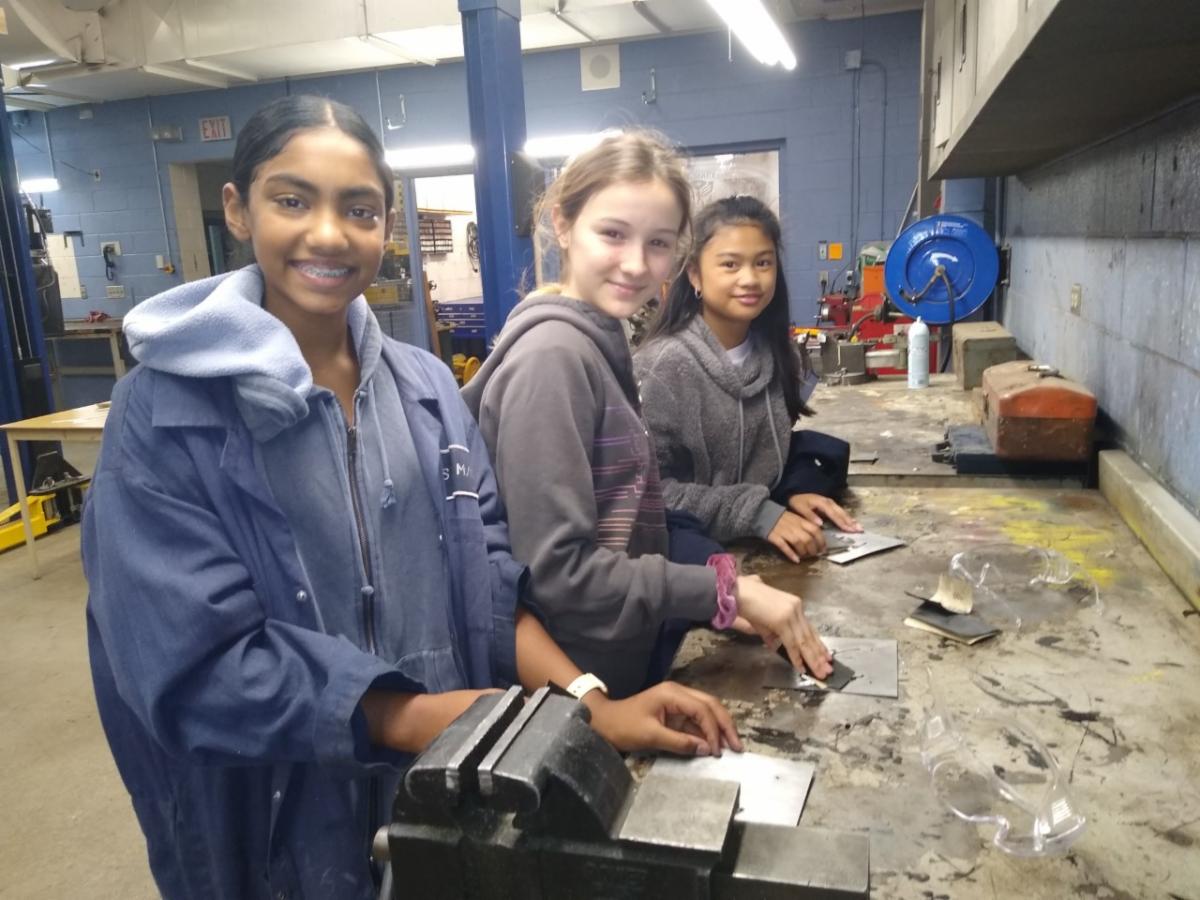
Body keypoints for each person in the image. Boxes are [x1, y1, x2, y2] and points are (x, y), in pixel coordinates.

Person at [81, 96, 740, 900]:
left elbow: (490, 589)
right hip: (269, 825)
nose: (330, 234)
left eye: (359, 210)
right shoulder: (164, 414)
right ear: (239, 210)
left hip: (431, 799)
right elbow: (193, 669)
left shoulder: (426, 391)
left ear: (386, 224)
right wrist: (409, 717)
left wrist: (588, 705)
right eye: (292, 200)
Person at [462, 133, 833, 701]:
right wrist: (723, 590)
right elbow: (558, 574)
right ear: (563, 223)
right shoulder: (552, 360)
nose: (636, 264)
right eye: (613, 234)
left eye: (658, 243)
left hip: (620, 656)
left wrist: (713, 597)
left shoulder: (599, 341)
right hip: (575, 691)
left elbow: (634, 521)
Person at [634, 195, 862, 564]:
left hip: (759, 552)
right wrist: (757, 513)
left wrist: (792, 490)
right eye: (730, 264)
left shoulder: (776, 354)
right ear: (695, 275)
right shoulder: (662, 368)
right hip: (688, 567)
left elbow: (766, 457)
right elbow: (646, 494)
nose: (750, 279)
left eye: (763, 263)